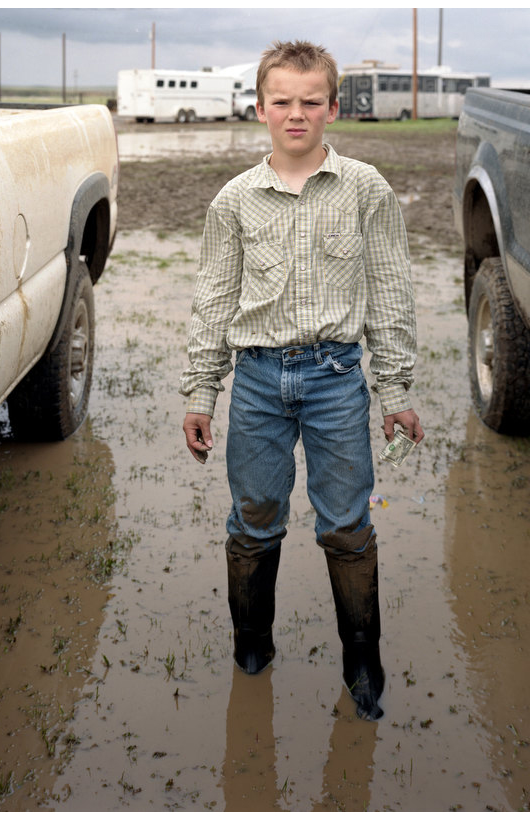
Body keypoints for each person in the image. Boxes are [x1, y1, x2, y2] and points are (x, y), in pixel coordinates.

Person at [180, 39, 424, 721]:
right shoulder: (233, 202)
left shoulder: (366, 189)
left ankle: (362, 658)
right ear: (259, 108)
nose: (296, 114)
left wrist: (395, 392)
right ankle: (251, 644)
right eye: (282, 101)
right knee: (254, 519)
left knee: (348, 523)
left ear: (332, 107)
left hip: (337, 378)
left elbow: (390, 293)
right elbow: (213, 300)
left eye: (310, 102)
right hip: (257, 381)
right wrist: (202, 392)